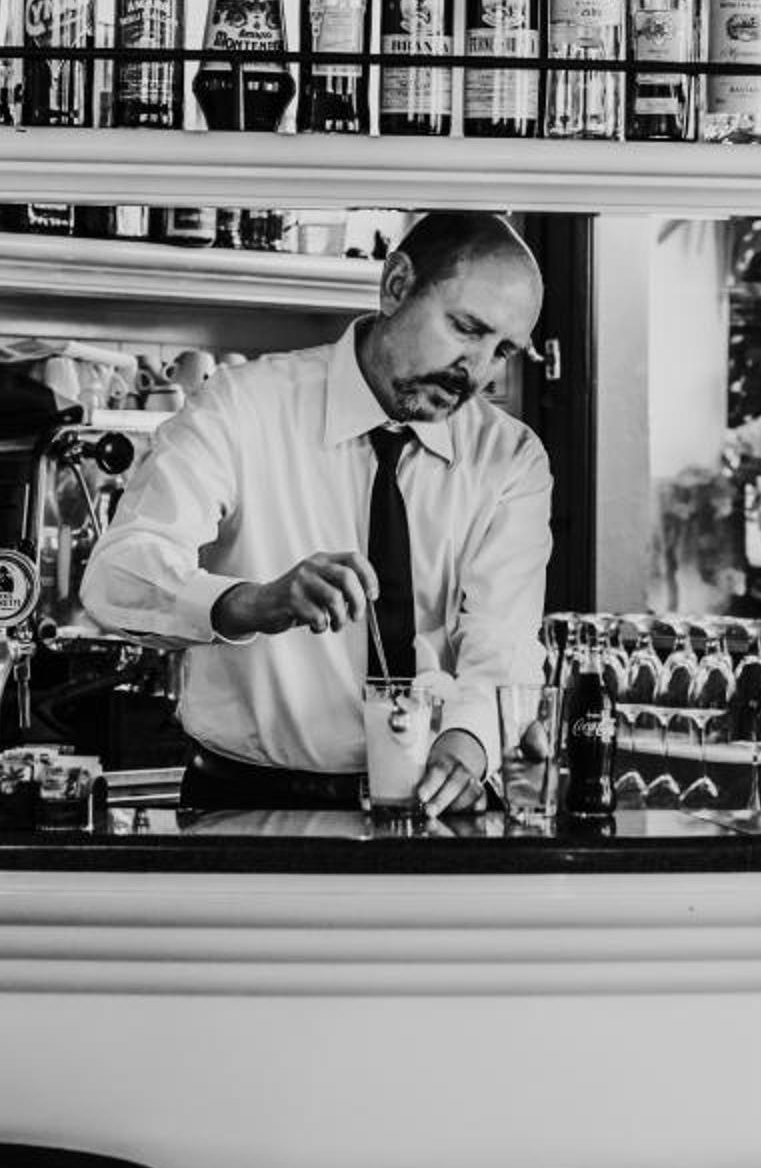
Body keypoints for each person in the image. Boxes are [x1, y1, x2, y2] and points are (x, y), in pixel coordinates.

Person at [80, 210, 552, 814]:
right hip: (246, 803)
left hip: (434, 803)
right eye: (465, 328)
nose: (477, 371)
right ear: (397, 285)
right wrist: (253, 603)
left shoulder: (509, 458)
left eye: (503, 350)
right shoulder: (242, 407)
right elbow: (118, 574)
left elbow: (503, 640)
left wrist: (472, 740)